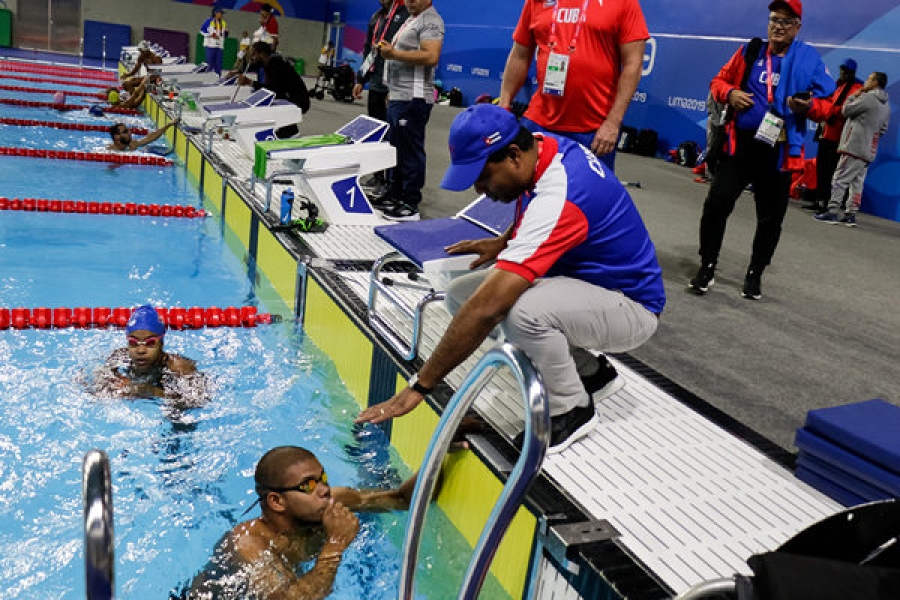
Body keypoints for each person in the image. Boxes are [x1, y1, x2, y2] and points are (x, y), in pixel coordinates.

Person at [356, 104, 665, 454]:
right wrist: (504, 242)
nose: (479, 190)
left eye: (483, 177)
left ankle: (571, 407)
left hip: (632, 308)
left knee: (517, 311)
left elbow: (489, 307)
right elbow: (535, 208)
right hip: (592, 288)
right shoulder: (543, 147)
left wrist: (420, 386)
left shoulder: (563, 194)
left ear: (514, 155)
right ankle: (591, 372)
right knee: (460, 295)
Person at [687, 0, 835, 300]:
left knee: (771, 219)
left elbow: (827, 106)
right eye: (774, 19)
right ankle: (708, 265)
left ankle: (755, 273)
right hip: (739, 145)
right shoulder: (750, 51)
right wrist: (731, 93)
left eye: (786, 21)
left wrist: (807, 107)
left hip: (778, 153)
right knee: (716, 204)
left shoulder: (809, 60)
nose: (778, 26)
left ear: (797, 27)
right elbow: (718, 81)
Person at [184, 446, 418, 599]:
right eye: (308, 486)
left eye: (322, 478)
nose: (325, 490)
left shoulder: (326, 504)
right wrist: (335, 545)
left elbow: (402, 500)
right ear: (277, 501)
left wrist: (445, 449)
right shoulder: (248, 545)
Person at [496, 0, 649, 173]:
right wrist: (504, 106)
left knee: (589, 197)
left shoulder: (623, 3)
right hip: (539, 123)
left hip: (594, 129)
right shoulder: (536, 2)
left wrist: (613, 123)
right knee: (529, 195)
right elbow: (519, 55)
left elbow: (633, 64)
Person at [370, 0, 445, 222]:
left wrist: (393, 54)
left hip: (414, 98)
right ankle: (395, 195)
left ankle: (410, 203)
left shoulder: (430, 20)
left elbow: (431, 56)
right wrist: (391, 91)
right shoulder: (413, 19)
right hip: (398, 95)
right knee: (396, 148)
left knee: (410, 151)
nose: (409, 1)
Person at [91, 305, 209, 406]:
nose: (141, 350)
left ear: (161, 344)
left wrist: (151, 391)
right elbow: (97, 389)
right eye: (133, 342)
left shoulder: (179, 367)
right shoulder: (119, 358)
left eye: (150, 343)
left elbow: (198, 400)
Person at [814, 71, 890, 228]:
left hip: (853, 145)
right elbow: (883, 129)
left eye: (869, 78)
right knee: (857, 183)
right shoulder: (886, 105)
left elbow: (845, 110)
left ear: (875, 82)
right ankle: (850, 215)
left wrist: (855, 95)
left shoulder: (867, 97)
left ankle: (833, 211)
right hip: (869, 149)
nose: (866, 82)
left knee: (840, 179)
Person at [353, 0, 410, 193]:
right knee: (376, 133)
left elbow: (405, 51)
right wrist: (361, 79)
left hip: (393, 86)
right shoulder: (376, 18)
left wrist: (394, 87)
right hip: (376, 85)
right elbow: (370, 50)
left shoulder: (406, 15)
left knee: (393, 136)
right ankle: (378, 177)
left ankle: (393, 184)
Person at [802, 58, 864, 213]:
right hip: (826, 132)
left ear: (850, 72)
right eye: (841, 69)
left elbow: (844, 110)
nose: (841, 72)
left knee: (832, 171)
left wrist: (829, 111)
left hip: (839, 137)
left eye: (844, 70)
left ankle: (829, 203)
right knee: (822, 169)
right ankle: (820, 199)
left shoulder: (856, 90)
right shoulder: (839, 86)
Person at [236, 42, 310, 113]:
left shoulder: (276, 64)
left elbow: (272, 90)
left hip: (297, 100)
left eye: (254, 54)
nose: (252, 58)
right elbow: (249, 67)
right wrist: (236, 72)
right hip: (287, 97)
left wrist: (249, 82)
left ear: (262, 54)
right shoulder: (266, 63)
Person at [107, 119, 179, 151]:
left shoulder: (132, 144)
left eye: (128, 130)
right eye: (125, 131)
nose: (130, 133)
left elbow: (149, 138)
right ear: (116, 136)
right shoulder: (109, 151)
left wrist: (169, 125)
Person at [200, 6, 229, 75]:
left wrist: (226, 33)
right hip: (210, 46)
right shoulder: (208, 21)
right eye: (221, 13)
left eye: (222, 13)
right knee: (210, 64)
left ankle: (218, 78)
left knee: (219, 65)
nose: (222, 15)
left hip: (220, 46)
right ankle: (207, 78)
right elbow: (202, 31)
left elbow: (223, 35)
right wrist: (212, 35)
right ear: (215, 13)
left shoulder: (223, 22)